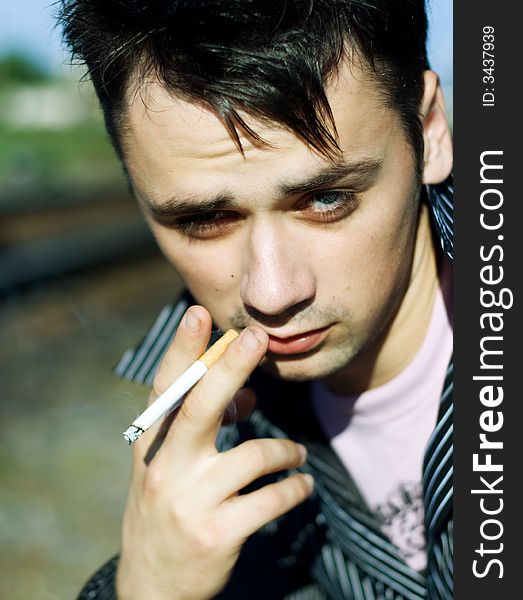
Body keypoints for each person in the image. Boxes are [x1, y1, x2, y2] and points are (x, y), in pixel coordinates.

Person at [60, 1, 454, 598]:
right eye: (208, 218)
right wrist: (146, 585)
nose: (272, 293)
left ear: (428, 133)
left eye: (326, 200)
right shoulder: (194, 435)